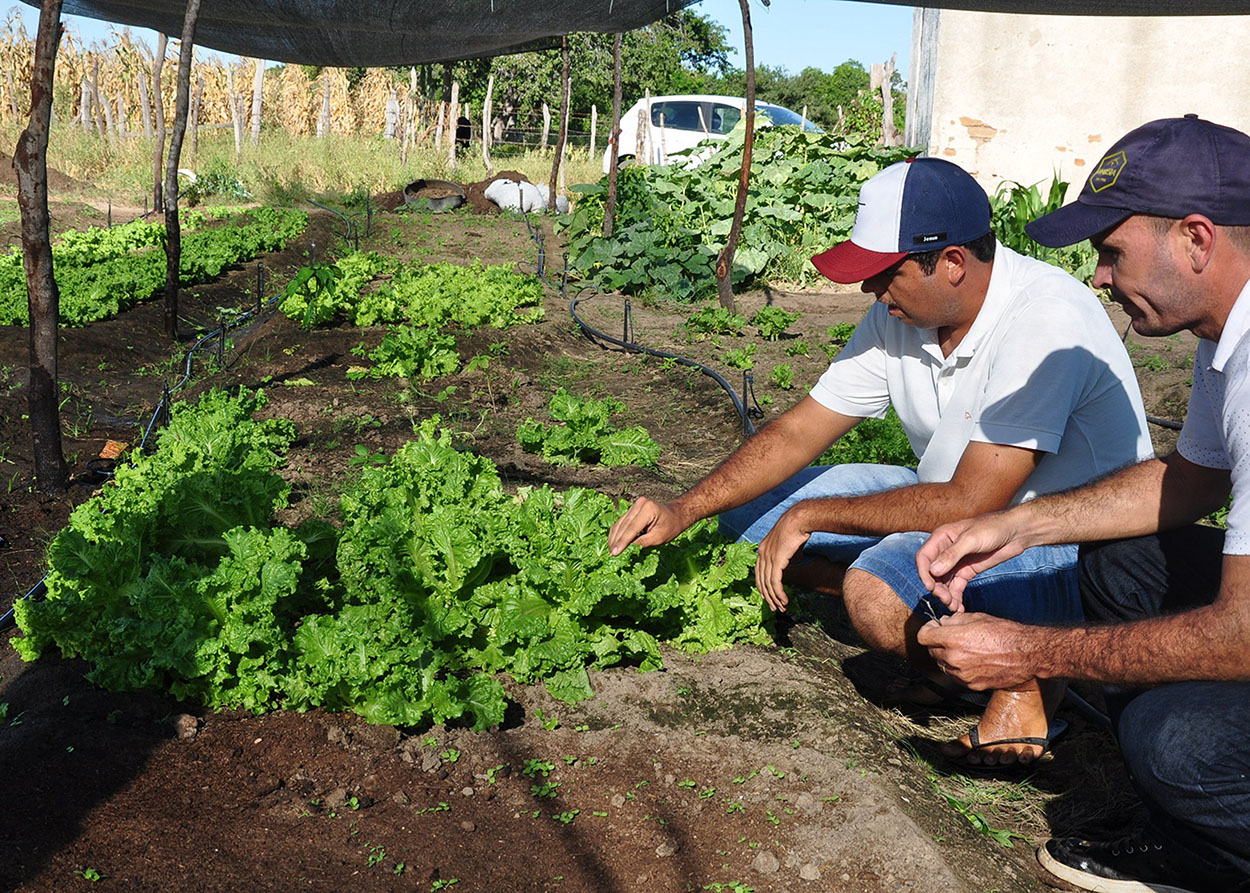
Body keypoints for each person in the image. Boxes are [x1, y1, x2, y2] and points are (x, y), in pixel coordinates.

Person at [608, 156, 1153, 766]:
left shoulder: (1045, 317)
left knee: (874, 591)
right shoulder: (900, 312)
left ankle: (1021, 672)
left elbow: (976, 501)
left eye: (883, 273)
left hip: (1068, 543)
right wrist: (684, 508)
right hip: (950, 501)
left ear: (950, 263)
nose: (870, 288)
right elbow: (798, 432)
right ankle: (955, 641)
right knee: (744, 517)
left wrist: (815, 516)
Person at [915, 115, 1250, 892]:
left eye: (1110, 251)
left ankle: (1213, 852)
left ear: (1195, 239)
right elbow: (1192, 481)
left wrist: (1031, 652)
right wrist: (1016, 525)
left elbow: (1242, 633)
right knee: (1123, 562)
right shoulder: (1221, 334)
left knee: (1177, 742)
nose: (1098, 277)